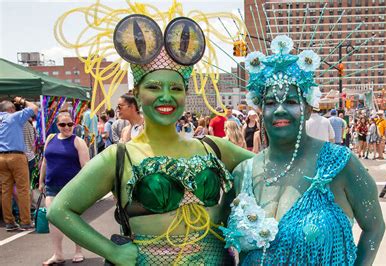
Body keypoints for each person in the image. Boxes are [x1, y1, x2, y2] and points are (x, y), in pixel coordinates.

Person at [48, 9, 254, 265]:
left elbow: (267, 166)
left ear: (184, 94)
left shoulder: (214, 147)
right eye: (154, 87)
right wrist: (111, 251)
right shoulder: (119, 156)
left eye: (175, 88)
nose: (166, 96)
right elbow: (59, 210)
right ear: (137, 92)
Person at [222, 35, 384, 265]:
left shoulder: (339, 164)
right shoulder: (243, 173)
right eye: (270, 103)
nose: (279, 109)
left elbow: (375, 229)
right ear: (260, 110)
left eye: (290, 101)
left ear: (307, 109)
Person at [38, 112, 90, 265]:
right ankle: (58, 254)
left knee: (73, 219)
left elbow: (86, 167)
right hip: (51, 186)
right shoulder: (50, 138)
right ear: (57, 125)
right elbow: (45, 162)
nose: (67, 127)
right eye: (63, 124)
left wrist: (84, 188)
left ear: (74, 124)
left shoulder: (78, 141)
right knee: (53, 220)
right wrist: (41, 182)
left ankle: (78, 250)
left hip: (71, 187)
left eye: (70, 124)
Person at [0, 97, 38, 231]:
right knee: (23, 190)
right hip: (16, 156)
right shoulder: (13, 117)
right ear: (10, 109)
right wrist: (21, 100)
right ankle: (26, 221)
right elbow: (34, 108)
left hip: (1, 157)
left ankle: (9, 222)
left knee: (5, 191)